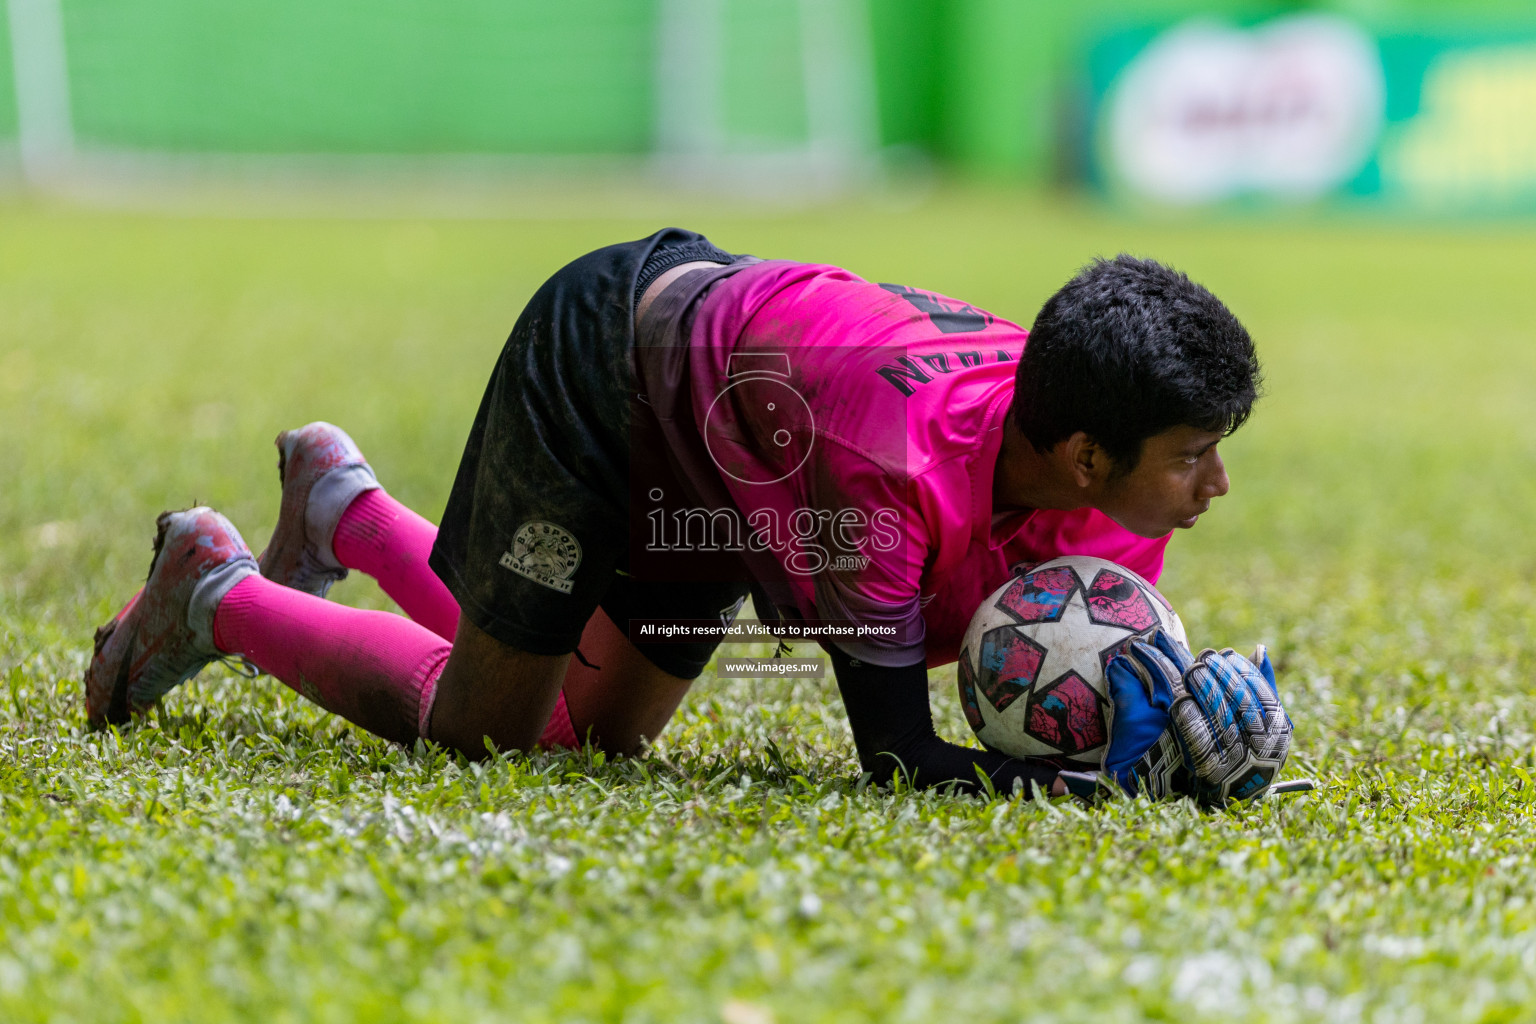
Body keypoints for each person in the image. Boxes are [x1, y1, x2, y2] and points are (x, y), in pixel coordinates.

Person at [85, 228, 1284, 801]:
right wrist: (1110, 789)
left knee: (589, 740)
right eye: (1193, 458)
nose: (1213, 485)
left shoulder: (1091, 456)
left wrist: (1177, 702)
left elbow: (1077, 644)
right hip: (608, 372)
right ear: (1085, 454)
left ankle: (344, 509)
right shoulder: (887, 468)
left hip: (740, 447)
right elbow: (897, 755)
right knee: (484, 733)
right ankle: (216, 592)